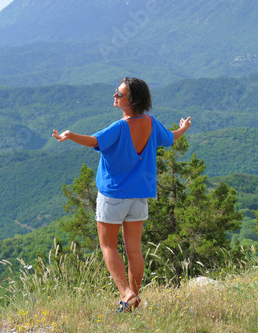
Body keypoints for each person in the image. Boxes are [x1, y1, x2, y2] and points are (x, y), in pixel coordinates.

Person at [52, 77, 192, 313]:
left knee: (108, 246)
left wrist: (70, 135)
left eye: (119, 94)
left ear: (132, 101)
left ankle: (126, 293)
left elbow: (94, 141)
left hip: (113, 195)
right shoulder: (151, 122)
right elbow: (170, 138)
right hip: (139, 196)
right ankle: (132, 301)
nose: (114, 96)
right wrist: (184, 128)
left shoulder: (119, 127)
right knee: (134, 250)